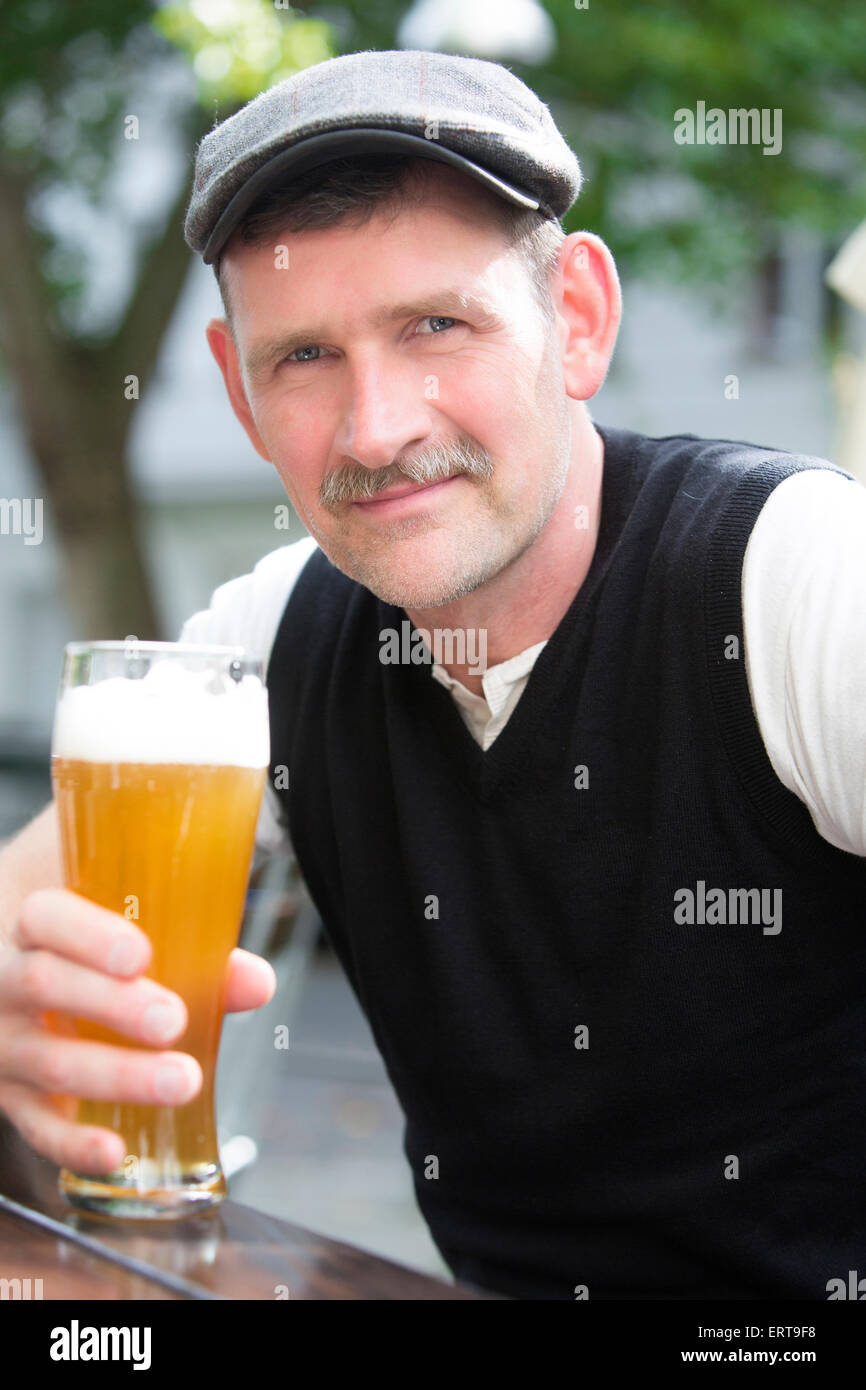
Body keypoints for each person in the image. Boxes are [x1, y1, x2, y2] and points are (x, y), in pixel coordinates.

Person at [1, 49, 865, 1301]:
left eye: (434, 325)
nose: (375, 427)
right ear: (243, 401)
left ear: (575, 318)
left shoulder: (794, 575)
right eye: (303, 358)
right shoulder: (274, 633)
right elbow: (23, 920)